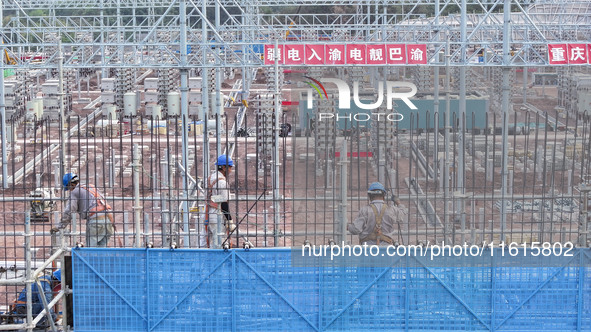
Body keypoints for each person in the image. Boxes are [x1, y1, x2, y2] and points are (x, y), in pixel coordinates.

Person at [53, 173, 114, 247]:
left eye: (69, 188)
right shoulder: (91, 186)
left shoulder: (75, 191)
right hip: (109, 219)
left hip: (96, 222)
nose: (70, 190)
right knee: (102, 250)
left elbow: (70, 210)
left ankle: (90, 259)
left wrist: (60, 226)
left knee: (91, 250)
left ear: (71, 184)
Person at [201, 155, 236, 248]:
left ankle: (203, 261)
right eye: (230, 167)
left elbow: (209, 197)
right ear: (224, 167)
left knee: (204, 242)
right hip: (217, 215)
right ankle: (216, 262)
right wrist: (229, 220)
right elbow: (224, 202)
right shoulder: (222, 183)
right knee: (219, 244)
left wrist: (214, 198)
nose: (230, 170)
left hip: (206, 213)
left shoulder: (208, 178)